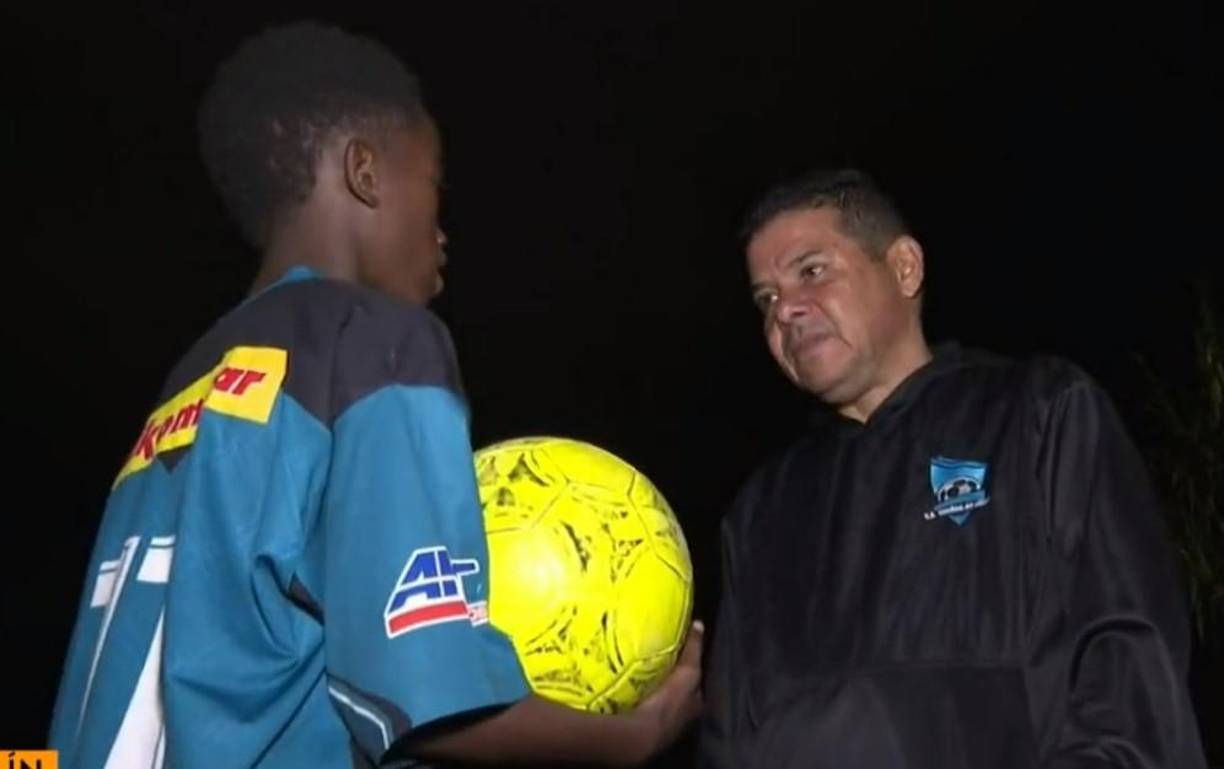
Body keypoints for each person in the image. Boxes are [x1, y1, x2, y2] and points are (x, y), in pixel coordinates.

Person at [47, 20, 701, 769]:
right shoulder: (373, 339)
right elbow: (418, 699)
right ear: (365, 171)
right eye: (434, 187)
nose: (443, 232)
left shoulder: (189, 383)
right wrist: (637, 736)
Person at [697, 168, 1207, 768]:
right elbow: (730, 738)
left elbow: (1127, 660)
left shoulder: (1038, 411)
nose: (785, 311)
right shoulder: (762, 510)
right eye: (767, 298)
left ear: (905, 268)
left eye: (811, 271)